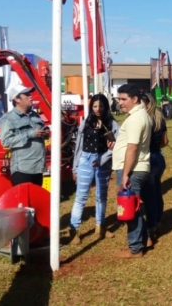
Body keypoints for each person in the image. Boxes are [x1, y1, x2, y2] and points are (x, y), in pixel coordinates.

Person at [68, 94, 118, 245]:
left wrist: (103, 159)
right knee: (81, 197)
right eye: (95, 106)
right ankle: (74, 230)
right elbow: (78, 146)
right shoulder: (85, 122)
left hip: (103, 162)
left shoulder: (113, 124)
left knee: (101, 196)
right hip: (85, 160)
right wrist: (75, 168)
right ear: (91, 107)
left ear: (106, 107)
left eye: (101, 106)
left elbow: (117, 145)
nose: (98, 109)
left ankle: (100, 226)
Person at [113, 83, 153, 258]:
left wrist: (126, 174)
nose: (120, 103)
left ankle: (135, 248)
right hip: (136, 168)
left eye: (123, 99)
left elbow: (133, 148)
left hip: (132, 169)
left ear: (135, 99)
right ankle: (145, 238)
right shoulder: (139, 115)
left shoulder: (136, 118)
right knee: (134, 206)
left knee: (130, 209)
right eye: (119, 99)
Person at [0, 84, 48, 186]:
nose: (30, 96)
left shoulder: (35, 115)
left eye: (30, 94)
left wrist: (44, 133)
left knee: (35, 201)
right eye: (26, 94)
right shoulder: (8, 119)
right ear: (17, 99)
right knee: (23, 201)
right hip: (22, 170)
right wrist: (31, 134)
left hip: (38, 168)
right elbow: (6, 141)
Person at [140, 93, 168, 245]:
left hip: (147, 159)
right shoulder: (160, 118)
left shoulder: (145, 120)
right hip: (159, 158)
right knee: (157, 192)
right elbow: (165, 141)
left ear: (148, 105)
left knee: (149, 197)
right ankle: (157, 222)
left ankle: (151, 228)